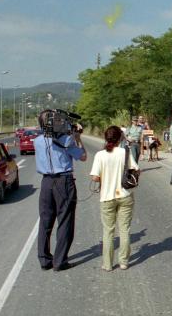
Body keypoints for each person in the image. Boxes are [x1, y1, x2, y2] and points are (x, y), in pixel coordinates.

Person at [34, 109, 87, 271]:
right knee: (65, 221)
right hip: (63, 181)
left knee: (45, 222)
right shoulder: (66, 140)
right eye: (57, 120)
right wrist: (77, 138)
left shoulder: (37, 140)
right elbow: (83, 156)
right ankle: (60, 261)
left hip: (46, 183)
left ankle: (44, 260)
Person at [90, 126, 139, 271]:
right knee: (124, 230)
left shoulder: (100, 155)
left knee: (108, 231)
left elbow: (95, 177)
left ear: (106, 138)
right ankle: (123, 262)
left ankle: (107, 264)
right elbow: (136, 169)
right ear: (120, 138)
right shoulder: (125, 152)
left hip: (107, 197)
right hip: (125, 195)